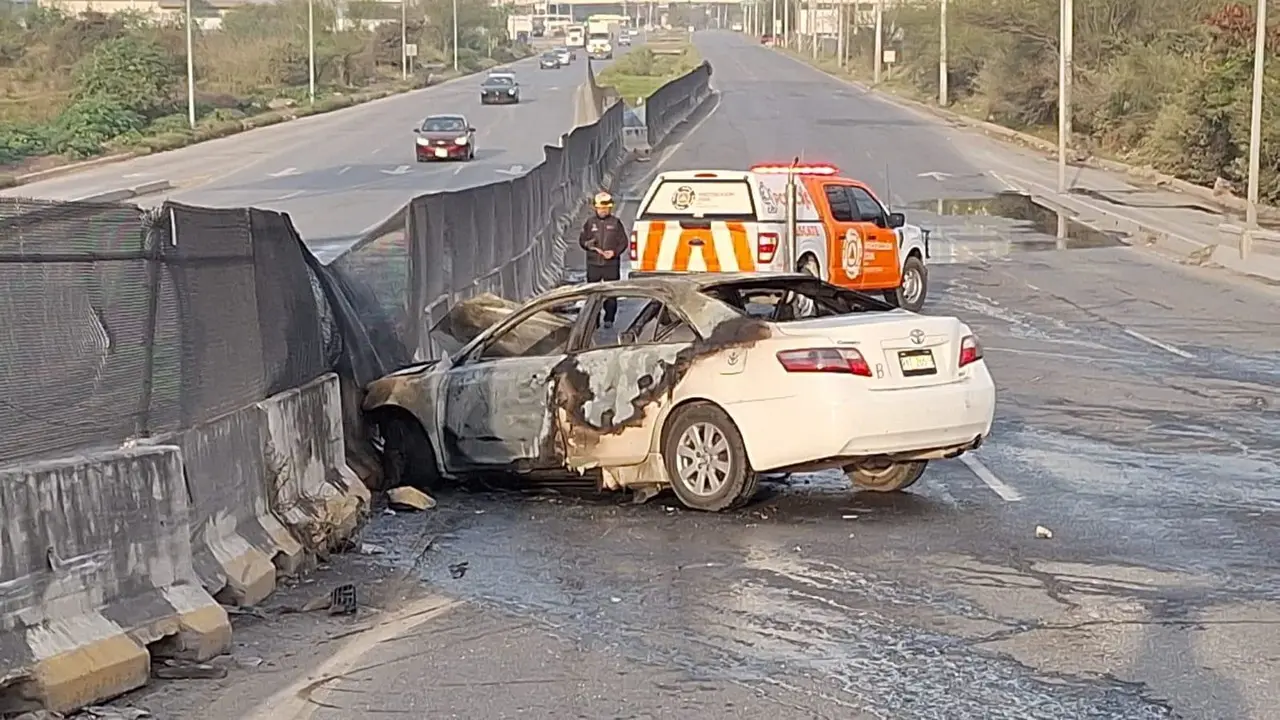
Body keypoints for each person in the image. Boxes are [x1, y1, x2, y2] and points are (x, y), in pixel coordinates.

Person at [578, 191, 629, 327]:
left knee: (610, 293)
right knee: (593, 293)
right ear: (596, 208)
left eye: (606, 208)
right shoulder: (590, 223)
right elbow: (582, 240)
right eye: (601, 208)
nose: (603, 211)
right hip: (594, 264)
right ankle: (593, 321)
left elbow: (623, 242)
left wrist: (614, 252)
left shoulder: (616, 223)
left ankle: (609, 319)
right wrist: (588, 245)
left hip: (610, 265)